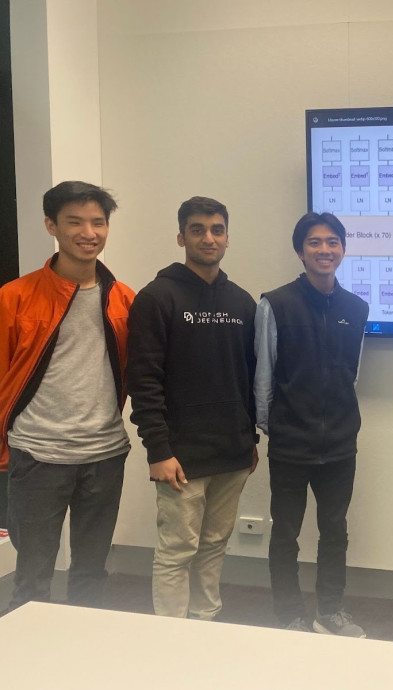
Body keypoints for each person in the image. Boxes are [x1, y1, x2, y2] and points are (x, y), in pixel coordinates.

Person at [0, 181, 134, 609]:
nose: (88, 232)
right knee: (33, 576)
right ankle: (29, 665)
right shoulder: (15, 297)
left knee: (92, 572)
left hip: (105, 453)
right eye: (74, 221)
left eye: (98, 222)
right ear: (51, 226)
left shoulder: (124, 299)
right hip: (38, 456)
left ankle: (84, 659)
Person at [126, 196, 259, 620]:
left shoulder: (242, 303)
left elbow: (248, 379)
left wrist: (249, 439)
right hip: (179, 457)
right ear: (181, 236)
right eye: (198, 229)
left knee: (215, 545)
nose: (208, 238)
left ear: (227, 238)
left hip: (233, 453)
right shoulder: (157, 297)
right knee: (177, 551)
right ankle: (171, 640)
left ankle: (205, 626)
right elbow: (142, 381)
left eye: (217, 229)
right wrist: (158, 451)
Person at [255, 211, 369, 636]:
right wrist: (271, 427)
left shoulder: (356, 307)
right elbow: (263, 376)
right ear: (300, 250)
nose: (325, 250)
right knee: (285, 533)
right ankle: (288, 612)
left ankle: (330, 611)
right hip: (290, 443)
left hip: (340, 443)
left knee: (335, 530)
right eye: (315, 242)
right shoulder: (276, 304)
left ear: (343, 248)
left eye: (332, 242)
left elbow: (352, 373)